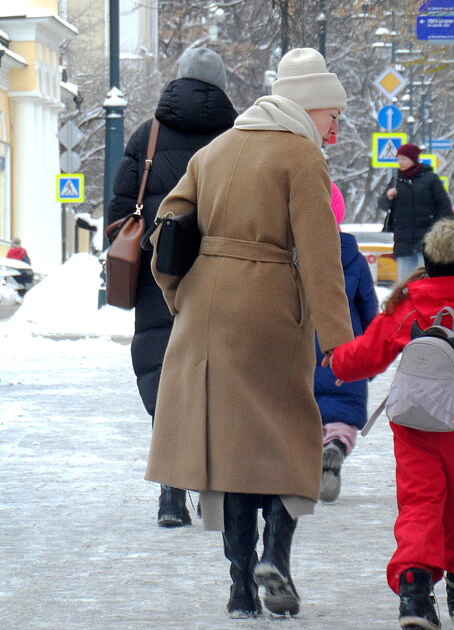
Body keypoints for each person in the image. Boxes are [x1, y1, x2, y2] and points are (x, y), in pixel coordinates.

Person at [146, 48, 355, 618]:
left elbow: (166, 231)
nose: (335, 127)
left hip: (205, 317)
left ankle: (240, 586)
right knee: (290, 443)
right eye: (332, 114)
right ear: (309, 105)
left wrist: (178, 296)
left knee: (233, 454)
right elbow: (320, 257)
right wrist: (340, 342)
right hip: (270, 314)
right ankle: (276, 562)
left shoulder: (216, 150)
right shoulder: (300, 157)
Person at [327, 216, 454, 628]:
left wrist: (338, 363)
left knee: (419, 505)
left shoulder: (410, 303)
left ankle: (415, 593)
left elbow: (371, 349)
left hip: (415, 425)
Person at [107, 45, 237, 527]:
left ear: (179, 77)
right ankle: (214, 494)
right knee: (218, 379)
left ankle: (169, 495)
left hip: (157, 273)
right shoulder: (237, 133)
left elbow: (120, 209)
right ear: (221, 83)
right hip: (221, 275)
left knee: (162, 373)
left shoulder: (148, 134)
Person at [314, 181, 379, 502]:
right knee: (341, 417)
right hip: (345, 351)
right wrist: (368, 360)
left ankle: (309, 459)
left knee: (302, 417)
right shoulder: (353, 258)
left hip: (301, 347)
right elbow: (370, 311)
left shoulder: (293, 254)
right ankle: (336, 444)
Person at [378, 143, 453, 283]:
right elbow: (382, 204)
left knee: (427, 280)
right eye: (398, 159)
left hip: (427, 241)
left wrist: (447, 231)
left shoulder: (430, 179)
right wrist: (388, 197)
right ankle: (408, 305)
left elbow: (445, 206)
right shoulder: (396, 181)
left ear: (413, 159)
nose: (400, 162)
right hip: (403, 242)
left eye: (403, 159)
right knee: (405, 283)